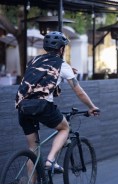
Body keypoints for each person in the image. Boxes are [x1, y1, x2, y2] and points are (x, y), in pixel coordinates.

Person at [15, 31, 99, 175]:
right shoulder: (61, 65)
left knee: (33, 149)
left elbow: (38, 78)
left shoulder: (34, 61)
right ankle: (51, 160)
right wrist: (91, 107)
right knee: (64, 128)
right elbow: (79, 92)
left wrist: (66, 71)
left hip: (22, 106)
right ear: (61, 49)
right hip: (42, 106)